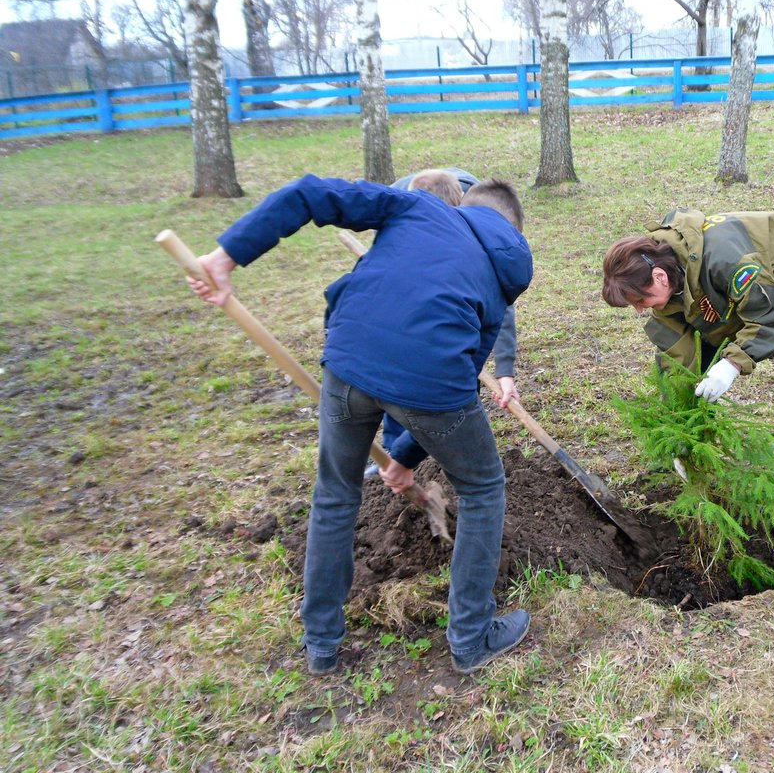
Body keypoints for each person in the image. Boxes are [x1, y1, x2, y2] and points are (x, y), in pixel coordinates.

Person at [187, 174, 534, 676]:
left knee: (334, 492)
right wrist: (407, 458)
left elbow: (308, 194)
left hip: (347, 362)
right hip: (433, 380)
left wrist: (225, 258)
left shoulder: (417, 208)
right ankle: (471, 637)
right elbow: (463, 373)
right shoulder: (510, 268)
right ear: (514, 229)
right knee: (482, 486)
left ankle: (321, 644)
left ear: (465, 206)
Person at [601, 208, 774, 513]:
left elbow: (769, 316)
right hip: (741, 298)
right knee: (696, 364)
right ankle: (699, 455)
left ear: (659, 277)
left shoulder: (725, 259)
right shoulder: (666, 279)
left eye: (640, 301)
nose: (640, 310)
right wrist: (681, 441)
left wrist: (732, 363)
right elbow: (677, 362)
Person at [363, 168, 520, 479]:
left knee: (457, 365)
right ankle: (397, 453)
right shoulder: (400, 213)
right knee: (400, 357)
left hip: (460, 293)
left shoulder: (485, 215)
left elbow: (502, 298)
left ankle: (465, 441)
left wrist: (504, 370)